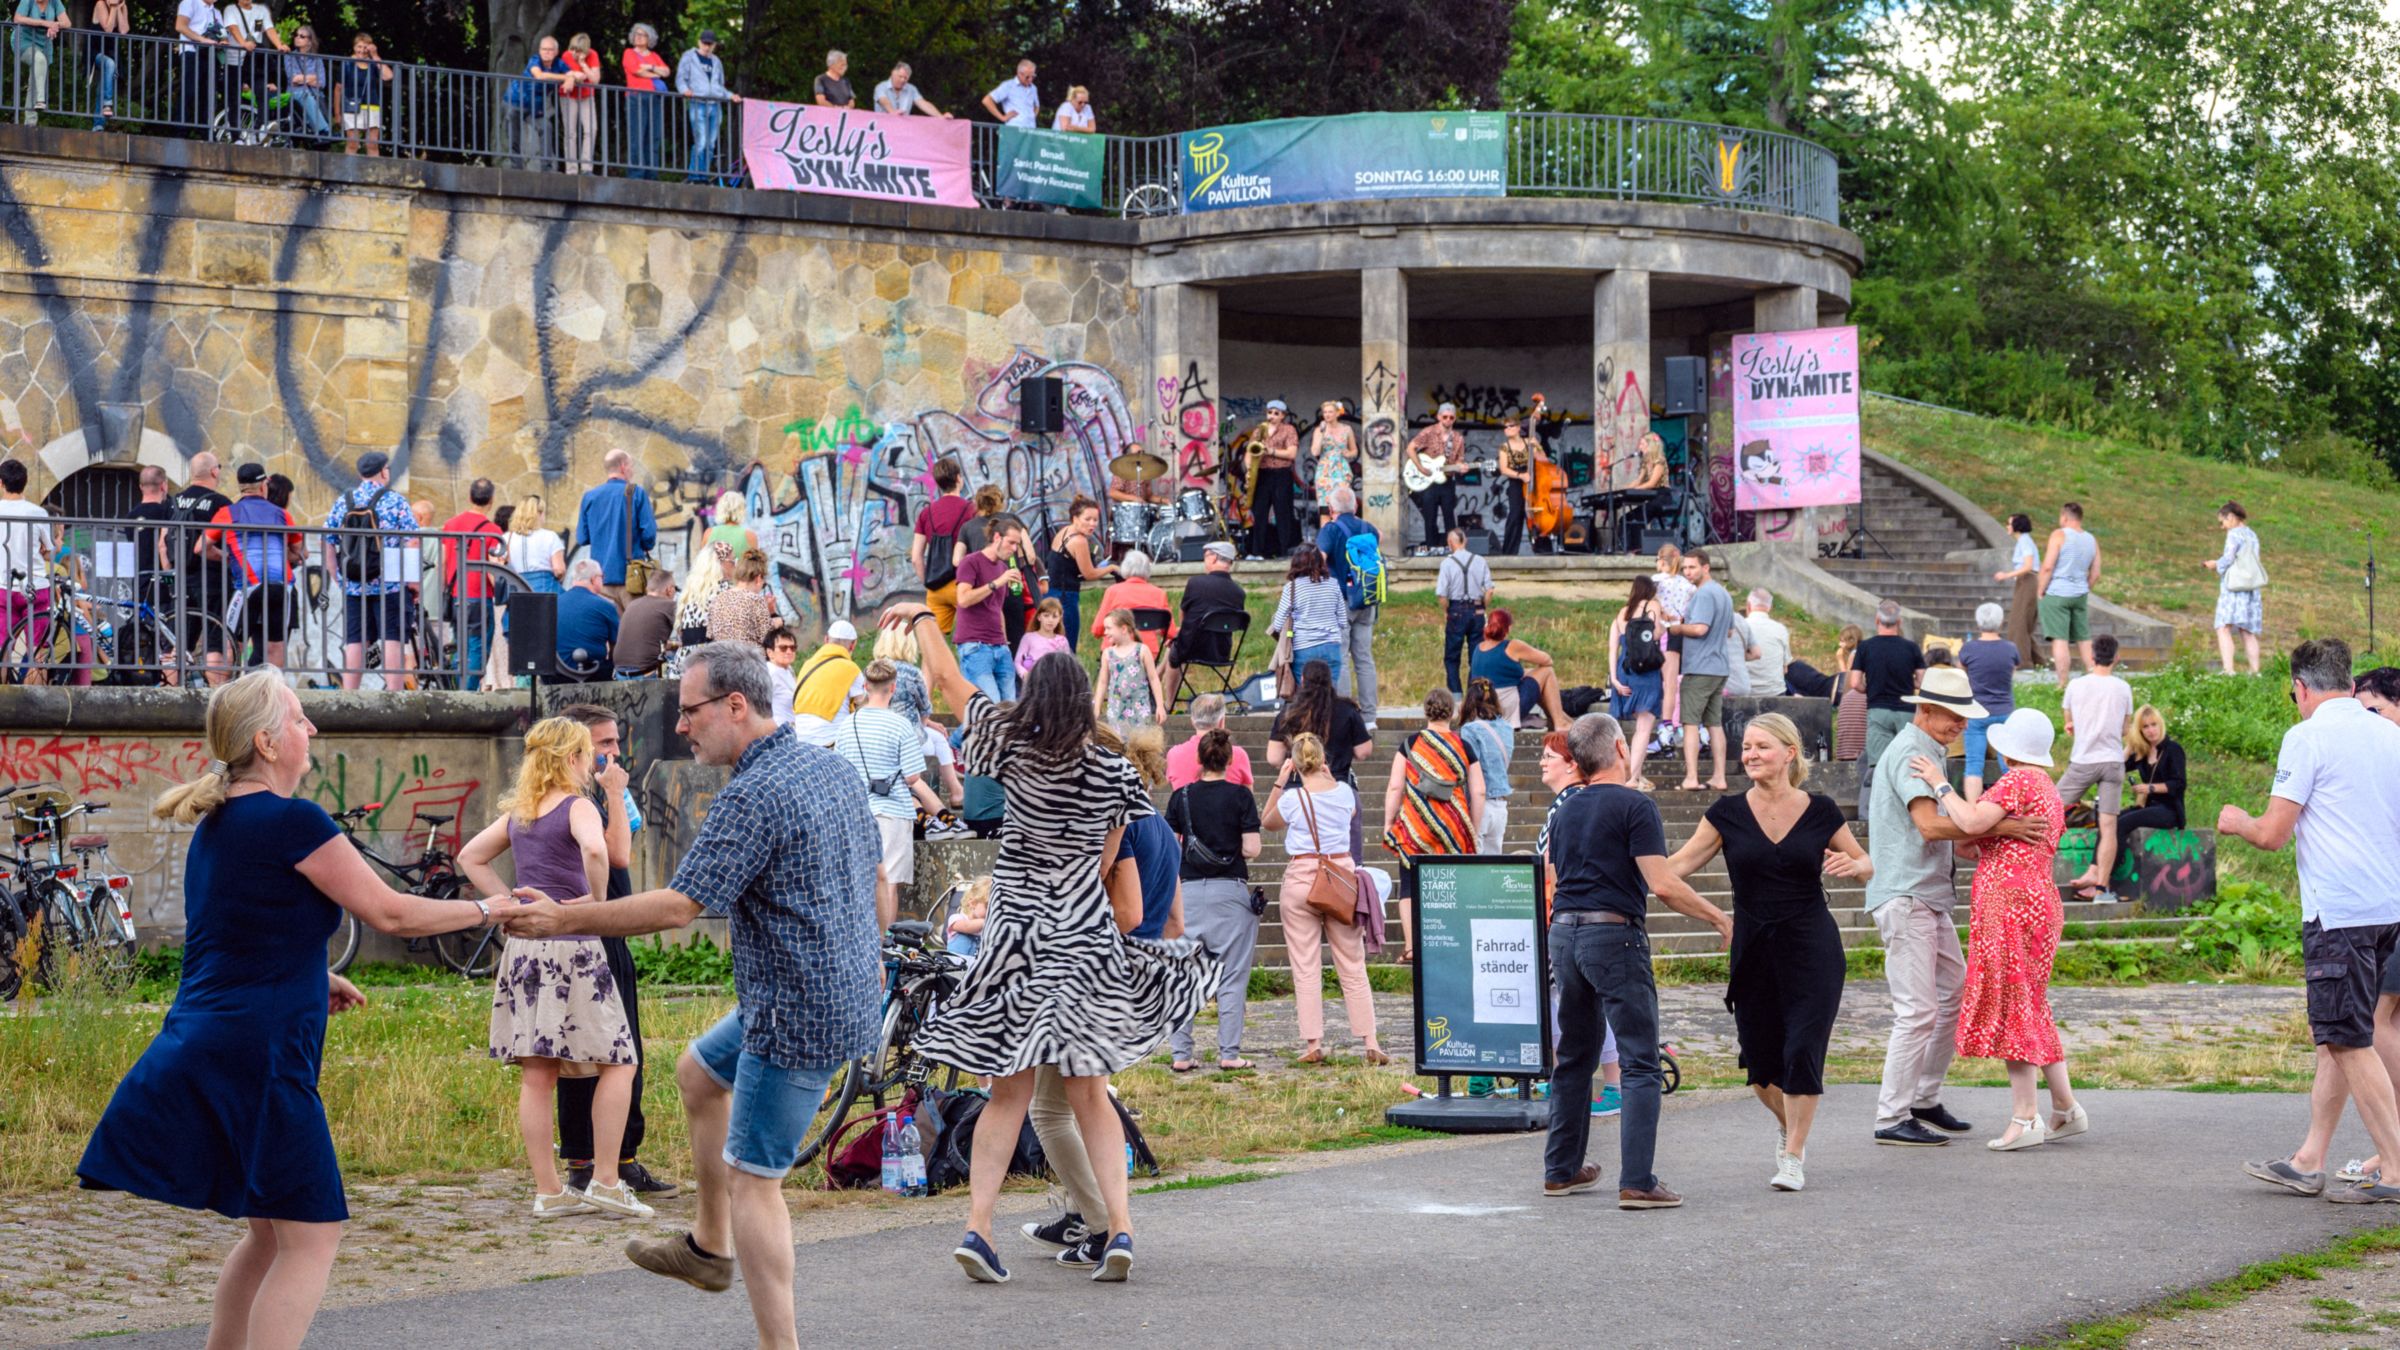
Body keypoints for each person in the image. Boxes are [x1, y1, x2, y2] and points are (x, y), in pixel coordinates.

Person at [77, 673, 506, 1350]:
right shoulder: (291, 820)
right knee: (312, 1235)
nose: (313, 732)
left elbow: (240, 932)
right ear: (267, 742)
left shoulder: (221, 823)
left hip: (217, 1040)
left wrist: (314, 974)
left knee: (270, 1230)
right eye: (301, 720)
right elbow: (391, 911)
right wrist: (491, 908)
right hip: (260, 1055)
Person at [500, 642, 881, 1345]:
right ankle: (708, 1249)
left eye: (691, 710)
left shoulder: (755, 793)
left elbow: (677, 907)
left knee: (754, 1181)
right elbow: (877, 881)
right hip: (838, 990)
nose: (680, 726)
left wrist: (563, 918)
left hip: (794, 1012)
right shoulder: (830, 768)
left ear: (737, 706)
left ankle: (778, 1342)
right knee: (698, 1072)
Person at [881, 602, 1217, 1284]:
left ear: (1033, 697)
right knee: (1089, 1094)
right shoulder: (1115, 773)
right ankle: (1118, 1230)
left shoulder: (1008, 743)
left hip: (1015, 933)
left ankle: (978, 1229)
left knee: (1008, 1093)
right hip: (1083, 932)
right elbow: (1107, 866)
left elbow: (947, 680)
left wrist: (920, 617)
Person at [2221, 639, 2400, 1204]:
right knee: (2336, 1038)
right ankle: (2309, 1159)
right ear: (2348, 682)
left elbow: (2272, 833)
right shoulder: (2390, 735)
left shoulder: (2307, 736)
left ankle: (2395, 1169)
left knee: (2348, 1039)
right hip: (2387, 905)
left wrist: (2236, 821)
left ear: (2300, 687)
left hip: (2339, 910)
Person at [1661, 713, 1868, 1191]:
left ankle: (1793, 1155)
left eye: (1761, 746)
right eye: (1746, 747)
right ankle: (1788, 1125)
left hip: (1812, 944)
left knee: (1802, 1051)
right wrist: (1635, 869)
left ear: (1789, 753)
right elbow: (1676, 867)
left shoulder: (1821, 810)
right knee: (1759, 1065)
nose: (1750, 754)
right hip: (1752, 947)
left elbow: (1866, 863)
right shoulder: (1726, 813)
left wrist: (1853, 864)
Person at [457, 718, 651, 1219]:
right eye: (587, 754)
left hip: (526, 949)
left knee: (537, 1075)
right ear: (572, 759)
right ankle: (606, 1180)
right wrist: (597, 900)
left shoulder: (522, 812)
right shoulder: (577, 804)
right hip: (575, 947)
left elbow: (469, 856)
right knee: (619, 1062)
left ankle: (549, 1190)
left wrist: (506, 902)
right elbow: (595, 847)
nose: (591, 763)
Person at [1541, 712, 1730, 1207]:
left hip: (1564, 933)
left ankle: (1561, 1168)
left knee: (1576, 1056)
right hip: (1612, 935)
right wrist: (1719, 918)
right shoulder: (1635, 805)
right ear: (1621, 749)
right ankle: (1638, 1180)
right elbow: (1662, 883)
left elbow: (1553, 878)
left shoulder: (1565, 809)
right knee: (1640, 1060)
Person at [1865, 665, 2038, 1147]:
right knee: (1917, 1010)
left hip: (1926, 894)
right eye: (1953, 717)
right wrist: (1997, 829)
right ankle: (1891, 1115)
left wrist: (1975, 835)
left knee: (1954, 993)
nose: (1962, 725)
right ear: (1925, 710)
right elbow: (1930, 826)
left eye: (1964, 717)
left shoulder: (1929, 750)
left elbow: (1944, 829)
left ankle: (1922, 1097)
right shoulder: (1910, 752)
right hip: (1907, 894)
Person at [1907, 707, 2085, 1150]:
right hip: (2039, 900)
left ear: (2007, 751)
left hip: (2010, 904)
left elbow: (1967, 826)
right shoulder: (2045, 786)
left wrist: (1938, 782)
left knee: (2011, 1001)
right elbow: (1978, 839)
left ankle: (2026, 1118)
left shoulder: (2017, 781)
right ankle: (2065, 1108)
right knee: (2029, 1001)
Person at [1264, 731, 1386, 1065]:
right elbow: (1348, 816)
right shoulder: (1345, 793)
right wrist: (1329, 777)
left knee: (1305, 964)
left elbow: (1268, 822)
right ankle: (1370, 1040)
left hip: (1301, 879)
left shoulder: (1292, 799)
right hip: (1339, 879)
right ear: (1323, 760)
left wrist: (1280, 781)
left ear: (1295, 764)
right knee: (1352, 962)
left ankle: (1313, 1042)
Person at [1165, 727, 1261, 1071]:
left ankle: (1181, 1055)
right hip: (1229, 891)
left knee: (1183, 973)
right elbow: (1252, 848)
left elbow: (1169, 844)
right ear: (1230, 759)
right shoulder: (1241, 797)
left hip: (1187, 892)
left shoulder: (1182, 797)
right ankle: (1230, 1053)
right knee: (1233, 975)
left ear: (1198, 759)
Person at [839, 658, 949, 929]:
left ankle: (861, 941)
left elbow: (840, 773)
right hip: (893, 811)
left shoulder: (847, 725)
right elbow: (913, 777)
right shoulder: (900, 726)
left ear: (865, 686)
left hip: (857, 812)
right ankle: (883, 946)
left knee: (860, 882)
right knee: (888, 882)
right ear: (893, 687)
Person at [1383, 688, 1484, 963]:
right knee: (1454, 884)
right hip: (1455, 825)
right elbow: (1479, 792)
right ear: (1452, 712)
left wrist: (1389, 822)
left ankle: (1412, 945)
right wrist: (1471, 828)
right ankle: (1453, 940)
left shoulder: (1411, 743)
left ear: (1426, 711)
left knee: (1408, 885)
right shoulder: (1465, 746)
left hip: (1416, 825)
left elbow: (1395, 787)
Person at [320, 451, 416, 690]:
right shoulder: (394, 500)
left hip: (354, 583)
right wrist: (412, 582)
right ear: (383, 471)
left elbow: (328, 540)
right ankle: (394, 693)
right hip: (390, 582)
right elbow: (412, 540)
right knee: (392, 637)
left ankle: (349, 695)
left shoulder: (345, 500)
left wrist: (338, 577)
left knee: (355, 639)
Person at [1268, 659, 1377, 863]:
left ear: (1302, 680)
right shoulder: (1347, 710)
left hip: (1297, 789)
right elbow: (1364, 751)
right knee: (1350, 857)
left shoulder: (1288, 713)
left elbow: (1273, 757)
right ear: (1331, 681)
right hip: (1338, 785)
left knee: (1304, 853)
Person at [205, 463, 302, 673]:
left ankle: (229, 696)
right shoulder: (282, 514)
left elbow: (200, 548)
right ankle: (273, 696)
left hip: (249, 585)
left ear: (241, 486)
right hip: (281, 585)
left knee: (233, 645)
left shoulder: (227, 513)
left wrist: (227, 557)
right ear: (264, 484)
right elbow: (298, 551)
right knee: (276, 647)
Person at [2059, 634, 2134, 900]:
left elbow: (2069, 720)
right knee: (2109, 826)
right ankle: (2102, 888)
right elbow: (2126, 729)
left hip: (2084, 760)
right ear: (2116, 658)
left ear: (2091, 657)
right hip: (2112, 761)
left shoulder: (2077, 686)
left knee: (2050, 810)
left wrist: (2074, 726)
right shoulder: (2123, 688)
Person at [1672, 549, 1736, 793]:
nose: (1687, 572)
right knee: (1714, 724)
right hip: (1719, 667)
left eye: (1692, 567)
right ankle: (1719, 777)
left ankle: (1691, 777)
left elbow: (1700, 629)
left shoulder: (1704, 594)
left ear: (1706, 567)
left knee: (1690, 723)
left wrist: (1677, 629)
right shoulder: (1724, 594)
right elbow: (1729, 631)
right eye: (1685, 568)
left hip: (1700, 667)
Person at [1315, 485, 1382, 723]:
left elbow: (1319, 559)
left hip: (1342, 600)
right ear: (1355, 506)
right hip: (1367, 600)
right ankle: (1370, 717)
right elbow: (1379, 542)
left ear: (1331, 509)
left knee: (1341, 657)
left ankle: (1344, 714)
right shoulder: (1368, 528)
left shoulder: (1330, 530)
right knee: (1364, 658)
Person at [1852, 601, 1924, 817]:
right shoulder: (1911, 647)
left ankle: (1870, 814)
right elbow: (1922, 681)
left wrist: (1870, 688)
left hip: (1878, 709)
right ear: (1899, 622)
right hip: (1906, 710)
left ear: (1877, 620)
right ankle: (1908, 809)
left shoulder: (1865, 647)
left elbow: (1855, 683)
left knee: (1876, 764)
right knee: (1906, 763)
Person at [435, 478, 505, 690]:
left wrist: (444, 591)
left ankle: (458, 689)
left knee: (460, 643)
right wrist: (503, 594)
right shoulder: (493, 530)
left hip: (457, 595)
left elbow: (442, 562)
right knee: (478, 646)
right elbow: (494, 568)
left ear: (469, 497)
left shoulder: (451, 524)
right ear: (491, 500)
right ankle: (469, 691)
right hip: (479, 596)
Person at [1158, 539, 1244, 703]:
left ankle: (1169, 702)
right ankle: (1156, 677)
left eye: (1205, 556)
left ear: (1213, 558)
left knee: (1175, 650)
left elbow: (1184, 612)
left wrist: (1180, 632)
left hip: (1192, 648)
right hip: (1221, 651)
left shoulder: (1196, 583)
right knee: (1176, 641)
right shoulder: (1239, 592)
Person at [955, 513, 1030, 701]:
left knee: (1009, 707)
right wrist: (996, 583)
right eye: (1011, 543)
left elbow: (997, 608)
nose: (1014, 549)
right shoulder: (971, 562)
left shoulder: (1003, 568)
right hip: (975, 646)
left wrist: (1004, 641)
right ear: (997, 537)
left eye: (1017, 544)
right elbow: (963, 599)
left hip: (1000, 646)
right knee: (990, 708)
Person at [1607, 576, 1668, 793]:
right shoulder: (1653, 605)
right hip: (1646, 671)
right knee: (1644, 728)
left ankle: (1637, 774)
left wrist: (1614, 679)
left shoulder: (1621, 613)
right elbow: (1657, 634)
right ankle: (1631, 778)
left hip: (1625, 670)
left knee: (1635, 727)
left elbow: (1613, 648)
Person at [574, 449, 656, 610]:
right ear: (623, 466)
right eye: (631, 466)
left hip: (599, 579)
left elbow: (582, 538)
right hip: (632, 578)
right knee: (633, 630)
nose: (632, 470)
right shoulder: (636, 493)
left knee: (608, 632)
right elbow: (649, 536)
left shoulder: (590, 496)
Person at [1955, 602, 2020, 800]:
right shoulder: (2010, 649)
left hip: (1976, 712)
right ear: (2001, 622)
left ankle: (1973, 808)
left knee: (1974, 764)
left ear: (1978, 622)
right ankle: (2013, 804)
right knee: (2008, 763)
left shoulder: (1969, 649)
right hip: (2004, 711)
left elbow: (1961, 674)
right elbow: (2013, 672)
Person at [1472, 607, 1570, 731]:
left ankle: (1558, 718)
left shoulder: (1478, 648)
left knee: (1533, 675)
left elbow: (1502, 674)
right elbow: (1547, 660)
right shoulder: (1512, 646)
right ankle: (1560, 722)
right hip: (1506, 712)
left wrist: (1528, 672)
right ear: (1508, 628)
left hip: (1484, 711)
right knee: (1547, 671)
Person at [2036, 501, 2102, 683]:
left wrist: (2041, 589)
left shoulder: (2059, 535)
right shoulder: (2091, 539)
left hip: (2058, 593)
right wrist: (2085, 587)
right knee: (2084, 638)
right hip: (2080, 594)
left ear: (2064, 517)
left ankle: (2063, 683)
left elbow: (2048, 567)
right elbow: (2096, 572)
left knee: (2060, 639)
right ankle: (2094, 678)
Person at [1268, 543, 1349, 691]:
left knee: (1306, 699)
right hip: (1332, 647)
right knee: (1329, 696)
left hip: (1304, 649)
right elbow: (1343, 622)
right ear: (1320, 561)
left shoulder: (1291, 588)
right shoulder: (1333, 584)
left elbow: (1278, 624)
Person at [1047, 496, 1116, 649]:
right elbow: (1089, 574)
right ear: (1075, 518)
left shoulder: (1064, 531)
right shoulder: (1080, 541)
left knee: (1052, 644)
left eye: (1095, 520)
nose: (1092, 524)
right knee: (1067, 646)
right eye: (1087, 519)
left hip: (1051, 594)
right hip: (1065, 597)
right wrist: (1111, 568)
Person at [913, 459, 974, 633]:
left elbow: (916, 558)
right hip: (964, 585)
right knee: (972, 640)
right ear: (958, 479)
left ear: (939, 483)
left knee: (933, 643)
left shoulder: (926, 513)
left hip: (936, 588)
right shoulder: (972, 510)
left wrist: (929, 583)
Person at [2207, 500, 2265, 676]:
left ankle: (2228, 669)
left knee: (2223, 627)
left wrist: (2215, 565)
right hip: (2251, 588)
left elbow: (2228, 558)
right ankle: (2255, 671)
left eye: (2222, 521)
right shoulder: (2252, 535)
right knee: (2247, 631)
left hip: (2234, 589)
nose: (2222, 526)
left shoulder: (2234, 535)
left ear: (2231, 517)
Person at [1458, 678, 1515, 853]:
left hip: (1480, 804)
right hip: (1500, 805)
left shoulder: (1470, 730)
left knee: (1474, 865)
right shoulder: (1507, 728)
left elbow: (1469, 769)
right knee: (1493, 865)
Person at [676, 30, 739, 184]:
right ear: (699, 42)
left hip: (715, 105)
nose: (707, 46)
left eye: (710, 44)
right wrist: (684, 90)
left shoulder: (716, 61)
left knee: (711, 144)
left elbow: (719, 86)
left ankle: (702, 176)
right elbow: (680, 78)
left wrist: (730, 95)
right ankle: (694, 175)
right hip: (698, 103)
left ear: (714, 45)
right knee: (701, 141)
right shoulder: (689, 57)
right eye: (704, 43)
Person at [1436, 527, 1493, 695]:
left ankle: (1456, 695)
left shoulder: (1447, 563)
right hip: (1477, 611)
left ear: (1450, 543)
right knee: (1476, 656)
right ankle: (1473, 694)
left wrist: (1446, 611)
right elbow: (1489, 590)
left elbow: (1442, 595)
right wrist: (1483, 606)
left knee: (1452, 656)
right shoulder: (1480, 560)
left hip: (1456, 610)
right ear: (1465, 541)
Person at [1404, 403, 1467, 553]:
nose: (1448, 420)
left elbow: (1459, 459)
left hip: (1447, 481)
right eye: (1445, 417)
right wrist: (1420, 467)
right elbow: (1410, 448)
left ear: (1454, 419)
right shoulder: (1428, 432)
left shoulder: (1458, 438)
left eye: (1451, 417)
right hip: (1429, 481)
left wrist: (1461, 467)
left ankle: (1453, 549)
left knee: (1449, 516)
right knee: (1430, 516)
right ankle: (1431, 548)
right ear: (1439, 417)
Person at [1243, 400, 1302, 558]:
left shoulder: (1289, 430)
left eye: (1276, 413)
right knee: (1259, 513)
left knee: (1283, 513)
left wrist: (1270, 451)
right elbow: (1249, 451)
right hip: (1262, 474)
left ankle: (1284, 551)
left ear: (1283, 415)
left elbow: (1291, 453)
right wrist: (1249, 469)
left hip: (1282, 474)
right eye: (1270, 412)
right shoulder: (1259, 430)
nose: (1272, 416)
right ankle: (1257, 551)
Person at [1088, 548, 1173, 655]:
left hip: (1115, 651)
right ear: (1147, 570)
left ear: (1125, 568)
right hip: (1147, 653)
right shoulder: (1159, 594)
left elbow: (1097, 629)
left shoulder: (1113, 591)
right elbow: (1170, 632)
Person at [2119, 704, 2184, 839]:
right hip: (2148, 807)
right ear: (2140, 730)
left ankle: (2114, 860)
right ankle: (2100, 860)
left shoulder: (2173, 749)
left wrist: (2151, 788)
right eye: (2145, 727)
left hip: (2169, 810)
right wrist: (2130, 746)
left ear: (2160, 725)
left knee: (2123, 823)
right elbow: (2117, 767)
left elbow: (2179, 784)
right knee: (2111, 821)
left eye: (2154, 725)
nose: (2151, 730)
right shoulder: (2143, 751)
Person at [1095, 609, 1164, 732]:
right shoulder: (1108, 654)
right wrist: (1097, 707)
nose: (1105, 632)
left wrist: (1160, 706)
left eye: (1109, 628)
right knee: (1118, 742)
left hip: (1139, 708)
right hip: (1116, 709)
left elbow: (1154, 679)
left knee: (1140, 742)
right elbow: (1103, 682)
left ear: (1123, 629)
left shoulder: (1141, 650)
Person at [790, 619, 861, 735]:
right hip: (832, 741)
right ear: (853, 645)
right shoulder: (852, 669)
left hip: (801, 738)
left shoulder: (807, 664)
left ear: (826, 640)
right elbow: (864, 707)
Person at [1166, 692, 1251, 789]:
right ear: (1221, 721)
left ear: (1192, 721)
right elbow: (1248, 797)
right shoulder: (1238, 755)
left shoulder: (1174, 754)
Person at [621, 23, 673, 179]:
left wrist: (648, 67)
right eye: (636, 33)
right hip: (636, 97)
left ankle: (651, 174)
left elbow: (666, 71)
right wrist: (654, 71)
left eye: (642, 34)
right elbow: (636, 71)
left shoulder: (654, 55)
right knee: (637, 136)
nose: (638, 36)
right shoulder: (629, 52)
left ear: (649, 38)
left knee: (653, 137)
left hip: (654, 98)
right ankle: (636, 174)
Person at [553, 559, 619, 679]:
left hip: (555, 675)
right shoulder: (605, 606)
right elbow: (617, 645)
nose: (603, 580)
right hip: (593, 675)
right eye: (601, 577)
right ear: (593, 579)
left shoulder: (553, 604)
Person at [1652, 545, 1694, 729]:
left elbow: (1649, 601)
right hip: (1681, 631)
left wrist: (1662, 612)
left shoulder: (1656, 581)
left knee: (1668, 682)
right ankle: (1676, 718)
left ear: (1661, 560)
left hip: (1665, 631)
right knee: (1676, 679)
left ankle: (1667, 722)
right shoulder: (1688, 586)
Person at [1994, 511, 2041, 668]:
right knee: (2023, 622)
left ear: (2017, 526)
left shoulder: (2025, 542)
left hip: (2027, 581)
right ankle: (2037, 660)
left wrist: (2006, 575)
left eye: (2009, 523)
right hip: (2026, 582)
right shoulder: (2023, 542)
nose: (2007, 526)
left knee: (2019, 622)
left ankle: (2024, 662)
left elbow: (2027, 566)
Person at [705, 548, 776, 647]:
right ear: (759, 579)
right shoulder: (756, 600)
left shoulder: (717, 599)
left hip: (722, 660)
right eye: (763, 585)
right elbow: (769, 640)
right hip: (748, 660)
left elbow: (710, 635)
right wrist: (774, 616)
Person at [614, 569, 680, 676]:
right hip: (646, 673)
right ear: (669, 590)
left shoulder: (632, 605)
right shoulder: (670, 605)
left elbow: (646, 641)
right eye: (675, 588)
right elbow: (688, 640)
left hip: (619, 672)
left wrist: (673, 644)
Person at [338, 32, 392, 156]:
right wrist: (337, 113)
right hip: (351, 106)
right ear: (354, 47)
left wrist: (375, 55)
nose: (361, 50)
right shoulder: (347, 64)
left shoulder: (373, 64)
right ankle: (348, 172)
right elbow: (338, 89)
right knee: (353, 143)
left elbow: (388, 76)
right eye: (359, 47)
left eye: (365, 47)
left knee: (372, 144)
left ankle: (373, 173)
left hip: (372, 105)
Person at [1493, 414, 1539, 556]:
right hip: (1516, 482)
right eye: (1505, 427)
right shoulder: (1504, 447)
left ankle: (1543, 550)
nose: (1507, 429)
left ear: (1518, 428)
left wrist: (1538, 446)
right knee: (1515, 515)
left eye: (1510, 426)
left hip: (1532, 480)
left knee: (1537, 515)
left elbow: (1541, 459)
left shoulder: (1528, 442)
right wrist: (1520, 475)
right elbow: (1504, 469)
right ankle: (1509, 553)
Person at [9, 0, 61, 124]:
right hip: (23, 41)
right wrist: (44, 23)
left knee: (35, 81)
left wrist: (55, 25)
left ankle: (30, 123)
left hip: (43, 45)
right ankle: (40, 100)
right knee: (39, 59)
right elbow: (17, 18)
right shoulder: (28, 1)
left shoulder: (54, 3)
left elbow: (67, 22)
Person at [556, 34, 602, 173]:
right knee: (570, 132)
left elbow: (595, 80)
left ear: (586, 50)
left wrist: (583, 64)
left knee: (591, 129)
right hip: (568, 96)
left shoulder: (593, 55)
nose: (575, 53)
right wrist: (576, 76)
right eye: (573, 49)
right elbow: (570, 76)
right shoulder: (566, 55)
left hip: (587, 96)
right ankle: (571, 169)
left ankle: (586, 167)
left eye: (579, 50)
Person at [506, 493, 566, 594]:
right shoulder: (550, 536)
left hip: (517, 592)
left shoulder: (507, 538)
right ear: (538, 513)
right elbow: (559, 569)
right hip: (545, 591)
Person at [86, 0, 127, 130]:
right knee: (109, 64)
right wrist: (114, 8)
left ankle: (98, 124)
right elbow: (108, 28)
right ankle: (107, 104)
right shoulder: (100, 4)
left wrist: (119, 9)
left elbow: (124, 30)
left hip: (111, 53)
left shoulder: (122, 7)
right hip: (96, 51)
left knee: (102, 85)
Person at [1743, 589, 1792, 697]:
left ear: (1748, 605)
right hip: (1774, 694)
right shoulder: (1781, 629)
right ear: (1769, 608)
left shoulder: (1740, 626)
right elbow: (1785, 669)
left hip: (1745, 693)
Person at [1308, 400, 1358, 505]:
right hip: (1324, 470)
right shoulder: (1319, 430)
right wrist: (1322, 432)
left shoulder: (1347, 429)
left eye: (1330, 412)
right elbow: (1315, 452)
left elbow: (1354, 450)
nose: (1327, 414)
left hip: (1341, 469)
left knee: (1342, 505)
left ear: (1337, 413)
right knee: (1324, 506)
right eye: (1325, 412)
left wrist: (1349, 454)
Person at [1015, 595, 1072, 674]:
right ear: (1039, 617)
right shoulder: (1028, 638)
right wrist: (1025, 674)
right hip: (1033, 682)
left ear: (1060, 619)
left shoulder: (1062, 641)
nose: (1050, 620)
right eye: (1046, 616)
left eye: (1054, 616)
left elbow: (1067, 665)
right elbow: (1018, 662)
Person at [873, 61, 948, 116]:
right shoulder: (881, 87)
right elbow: (883, 100)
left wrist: (940, 116)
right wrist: (892, 112)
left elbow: (923, 104)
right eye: (900, 76)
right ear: (892, 73)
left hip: (902, 130)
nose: (902, 80)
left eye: (905, 78)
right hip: (883, 129)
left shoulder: (912, 89)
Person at [980, 58, 1038, 127]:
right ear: (1019, 73)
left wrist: (1032, 117)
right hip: (1014, 129)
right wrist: (1002, 117)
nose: (1030, 80)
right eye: (1027, 77)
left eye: (1033, 76)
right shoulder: (1008, 86)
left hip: (1031, 130)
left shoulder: (1033, 88)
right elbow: (987, 100)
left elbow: (1037, 106)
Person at [761, 625, 798, 726]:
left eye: (792, 647)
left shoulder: (789, 669)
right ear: (770, 652)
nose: (789, 651)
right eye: (783, 648)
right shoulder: (768, 674)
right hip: (777, 733)